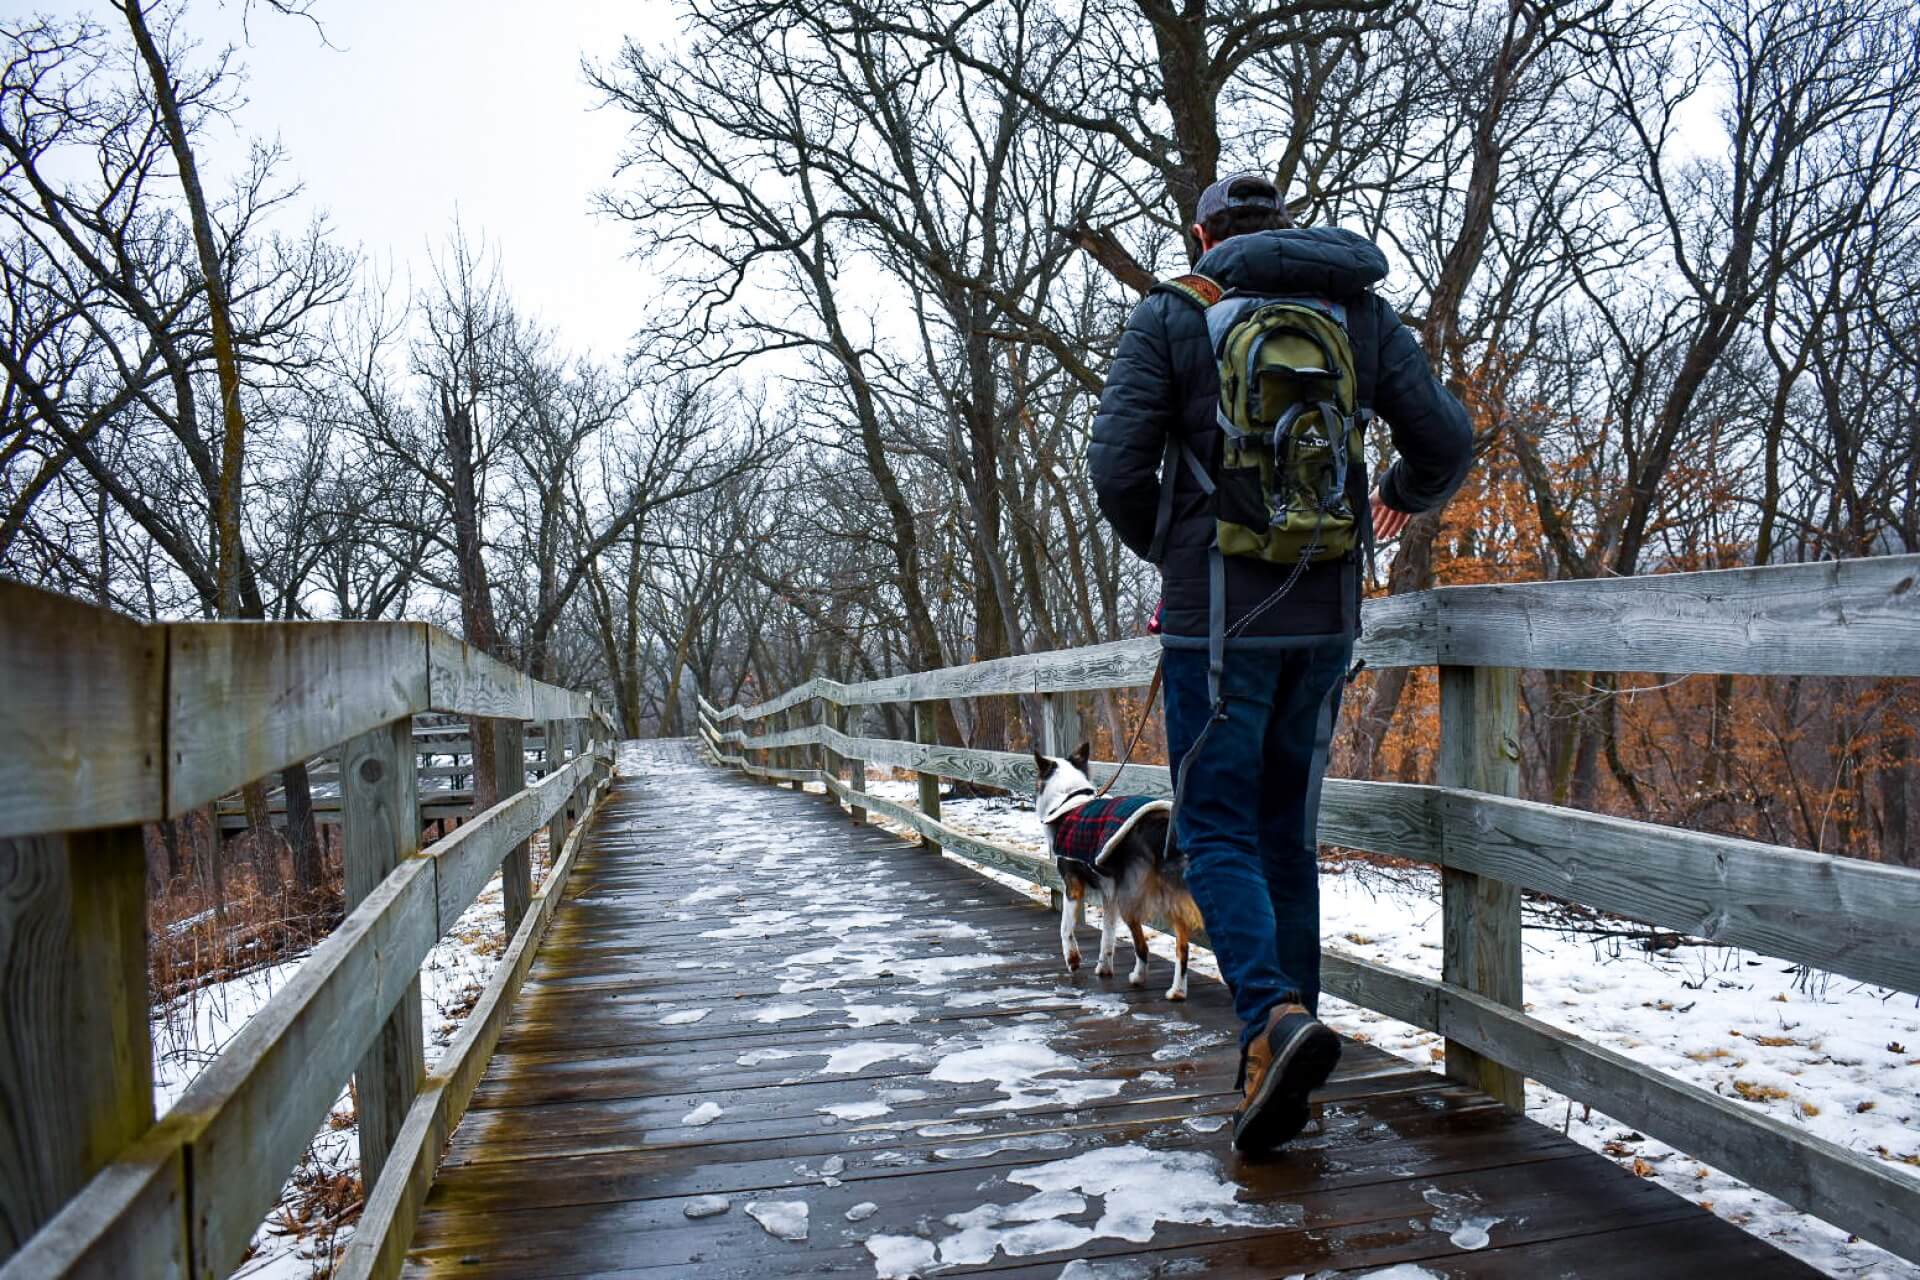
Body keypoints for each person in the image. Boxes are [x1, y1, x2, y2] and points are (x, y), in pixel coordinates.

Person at [1089, 171, 1473, 1154]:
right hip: (1327, 618)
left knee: (1216, 833)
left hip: (1219, 627)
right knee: (1286, 840)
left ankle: (1270, 1018)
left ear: (1201, 232)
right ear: (1284, 227)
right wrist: (1397, 484)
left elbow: (1118, 470)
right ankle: (1279, 1077)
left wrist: (1179, 554)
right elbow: (1447, 439)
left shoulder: (1176, 314)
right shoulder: (1358, 312)